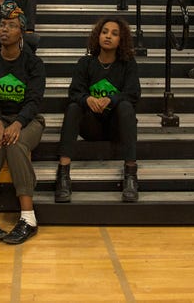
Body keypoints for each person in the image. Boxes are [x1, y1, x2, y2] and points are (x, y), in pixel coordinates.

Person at [0, 2, 45, 245]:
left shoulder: (34, 63)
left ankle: (28, 218)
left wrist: (17, 124)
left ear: (21, 33)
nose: (4, 29)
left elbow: (34, 101)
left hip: (28, 120)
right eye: (1, 25)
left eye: (11, 26)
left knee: (15, 144)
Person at [55, 17, 141, 203]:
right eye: (104, 32)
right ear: (98, 36)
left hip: (116, 127)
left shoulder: (128, 64)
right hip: (91, 126)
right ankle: (63, 176)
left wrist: (111, 98)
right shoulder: (85, 63)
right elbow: (74, 92)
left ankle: (131, 176)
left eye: (114, 33)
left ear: (121, 41)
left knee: (126, 106)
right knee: (73, 107)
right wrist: (88, 99)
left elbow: (133, 94)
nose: (108, 36)